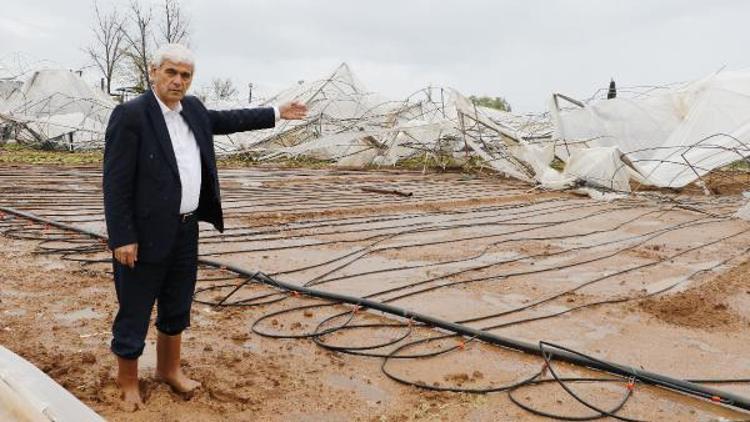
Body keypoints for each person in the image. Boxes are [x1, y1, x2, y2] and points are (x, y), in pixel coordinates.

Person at [102, 43, 307, 410]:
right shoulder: (131, 116)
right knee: (134, 307)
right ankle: (127, 379)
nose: (178, 81)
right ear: (154, 72)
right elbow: (115, 183)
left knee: (177, 303)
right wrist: (123, 237)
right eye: (171, 72)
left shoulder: (193, 110)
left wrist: (277, 112)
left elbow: (230, 119)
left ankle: (169, 369)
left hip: (185, 229)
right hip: (144, 235)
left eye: (185, 75)